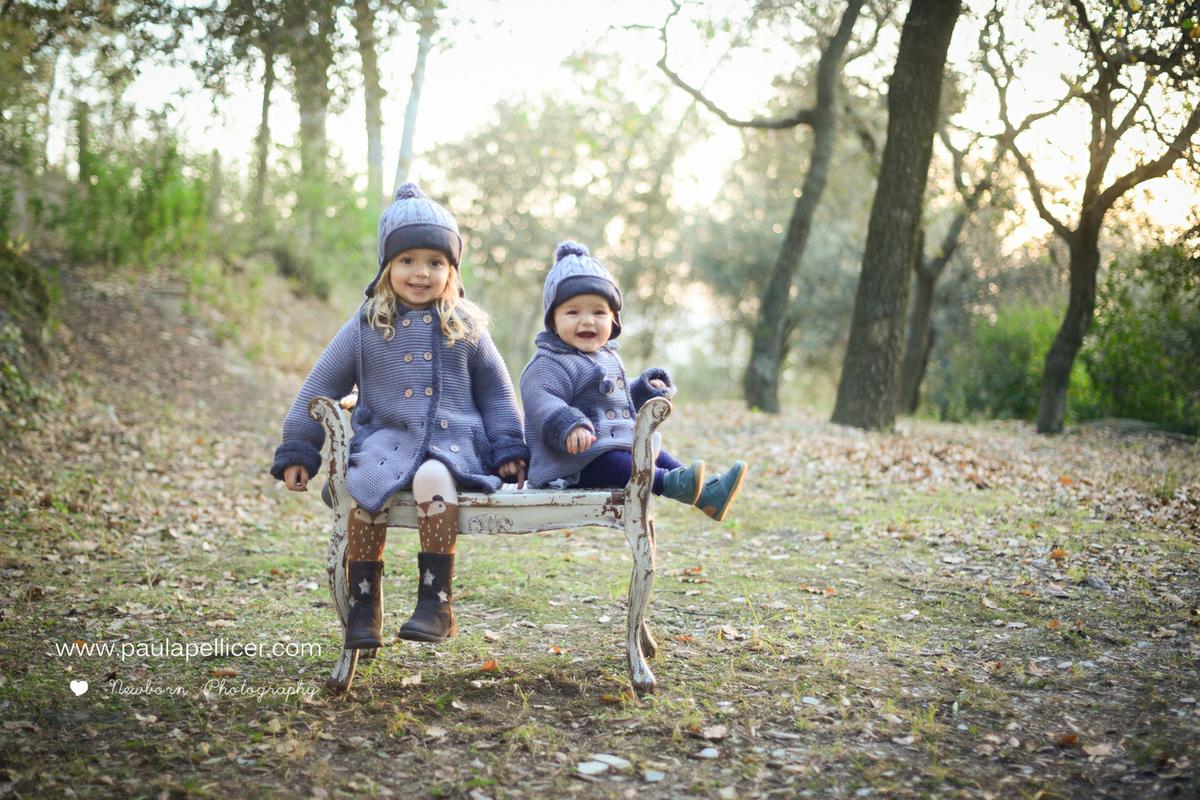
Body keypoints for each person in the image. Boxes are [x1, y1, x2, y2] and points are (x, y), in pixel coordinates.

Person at [270, 183, 529, 649]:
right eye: (407, 261)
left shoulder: (466, 325)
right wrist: (300, 448)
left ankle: (436, 602)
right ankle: (364, 603)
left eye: (435, 262)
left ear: (452, 271)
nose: (420, 273)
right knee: (366, 486)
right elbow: (320, 385)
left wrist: (509, 446)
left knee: (433, 478)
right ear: (387, 266)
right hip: (384, 442)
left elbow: (496, 391)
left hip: (454, 446)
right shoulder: (368, 324)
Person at [520, 241, 747, 519]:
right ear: (553, 321)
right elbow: (540, 398)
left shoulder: (605, 356)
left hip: (614, 443)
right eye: (573, 312)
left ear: (614, 320)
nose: (588, 321)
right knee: (626, 462)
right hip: (577, 464)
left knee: (653, 452)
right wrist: (569, 425)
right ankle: (671, 484)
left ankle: (708, 495)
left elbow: (617, 396)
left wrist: (645, 389)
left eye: (598, 312)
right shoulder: (549, 363)